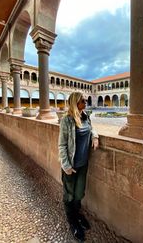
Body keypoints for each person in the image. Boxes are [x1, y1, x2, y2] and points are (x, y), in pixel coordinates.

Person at [58, 91, 99, 242]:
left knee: (79, 193)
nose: (86, 102)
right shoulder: (67, 120)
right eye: (83, 100)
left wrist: (95, 136)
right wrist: (66, 165)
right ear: (76, 102)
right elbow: (62, 145)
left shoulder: (85, 116)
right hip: (71, 165)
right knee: (69, 195)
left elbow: (91, 128)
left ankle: (77, 214)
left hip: (83, 164)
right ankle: (72, 221)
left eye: (86, 100)